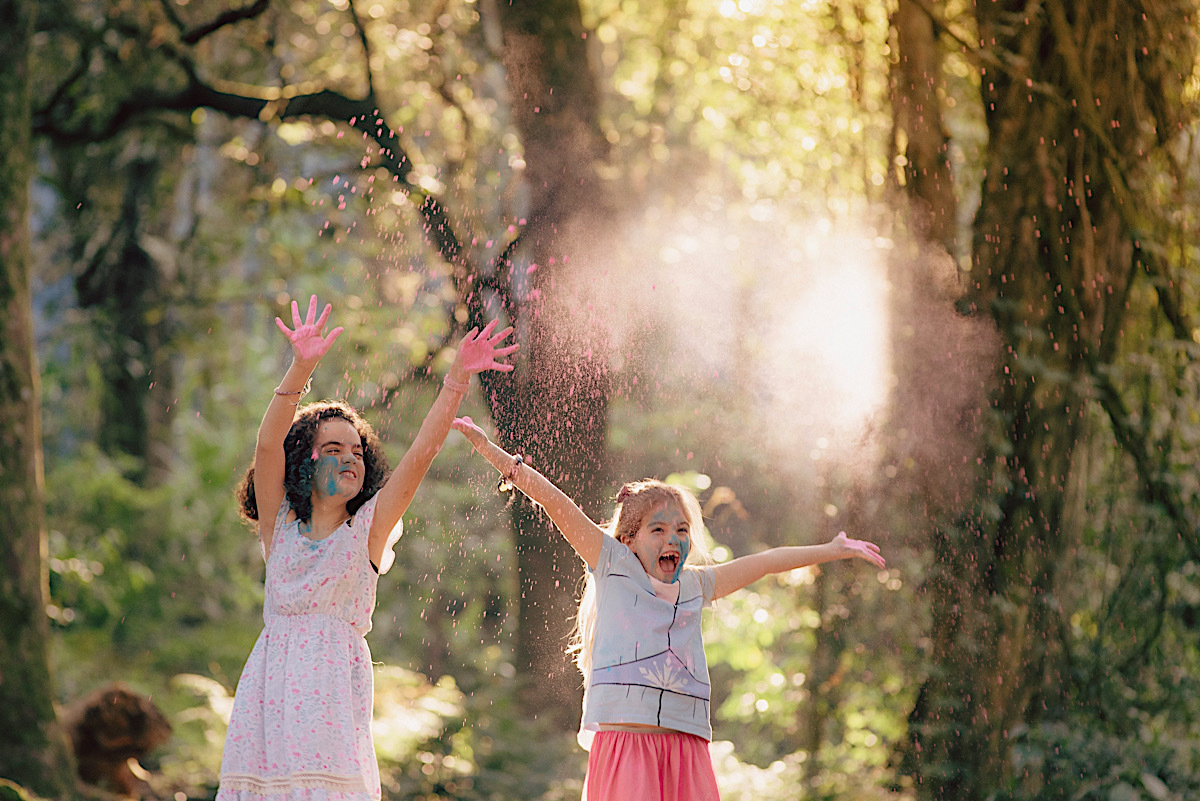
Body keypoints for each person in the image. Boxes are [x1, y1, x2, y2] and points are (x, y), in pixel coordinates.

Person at [451, 415, 886, 801]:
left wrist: (832, 549)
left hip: (686, 747)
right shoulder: (612, 564)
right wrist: (489, 449)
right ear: (628, 539)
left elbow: (764, 564)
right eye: (657, 529)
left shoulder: (697, 585)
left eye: (681, 530)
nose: (672, 539)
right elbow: (552, 500)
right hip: (626, 743)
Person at [216, 295, 517, 801]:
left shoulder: (369, 532)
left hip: (330, 707)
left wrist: (457, 378)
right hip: (267, 703)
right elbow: (268, 445)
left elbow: (421, 454)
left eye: (356, 451)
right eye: (331, 449)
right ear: (303, 465)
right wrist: (301, 366)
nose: (348, 458)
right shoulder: (281, 526)